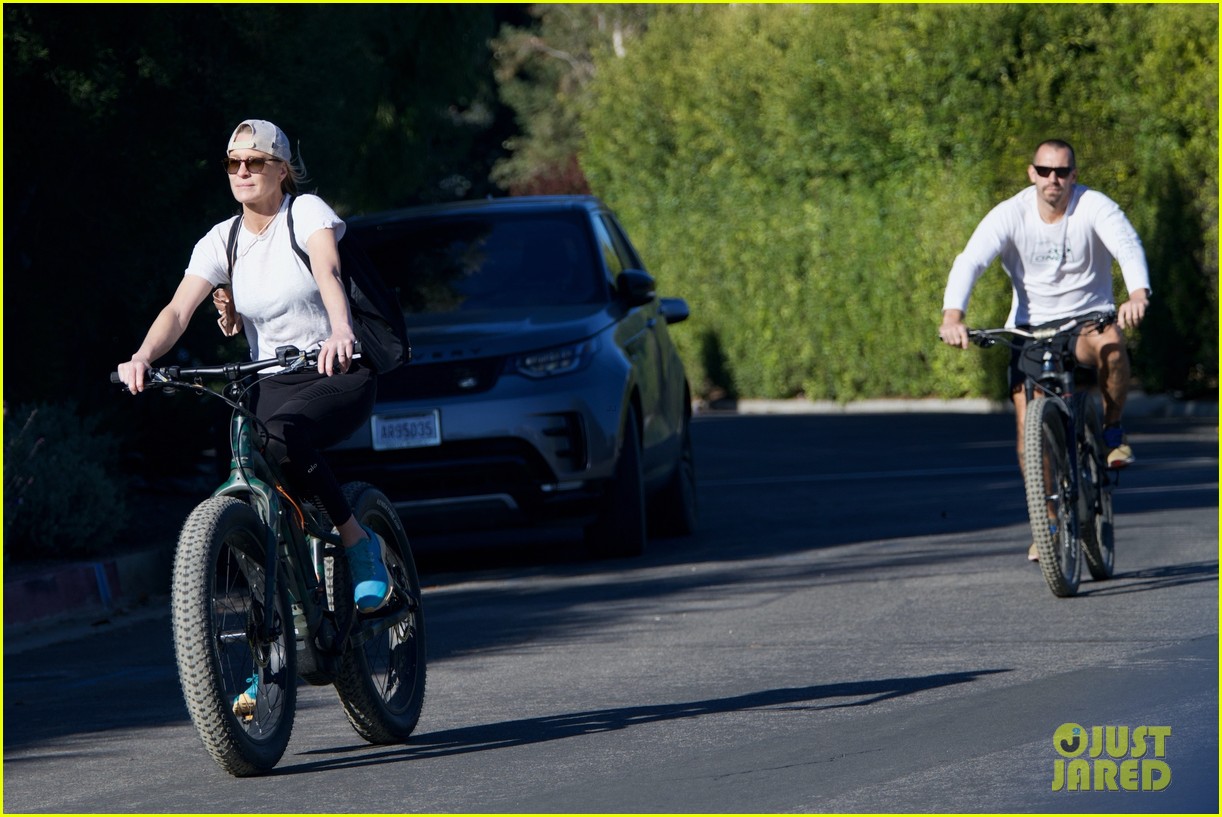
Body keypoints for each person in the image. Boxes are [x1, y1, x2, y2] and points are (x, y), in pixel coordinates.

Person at [116, 119, 391, 627]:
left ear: (281, 169)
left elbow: (328, 269)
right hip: (270, 378)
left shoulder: (305, 213)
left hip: (333, 366)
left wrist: (340, 330)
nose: (242, 171)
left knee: (284, 436)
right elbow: (178, 310)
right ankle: (282, 609)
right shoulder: (221, 240)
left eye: (255, 161)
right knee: (249, 452)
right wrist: (142, 357)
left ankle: (358, 541)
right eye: (233, 162)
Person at [938, 139, 1151, 561]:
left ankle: (1111, 431)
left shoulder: (1094, 206)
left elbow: (1126, 244)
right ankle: (1048, 522)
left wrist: (1137, 294)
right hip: (1031, 329)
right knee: (1026, 428)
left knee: (1112, 346)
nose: (1054, 179)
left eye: (1063, 172)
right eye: (1045, 171)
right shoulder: (1010, 214)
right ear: (1032, 173)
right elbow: (971, 260)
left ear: (1074, 175)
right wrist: (952, 317)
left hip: (1087, 319)